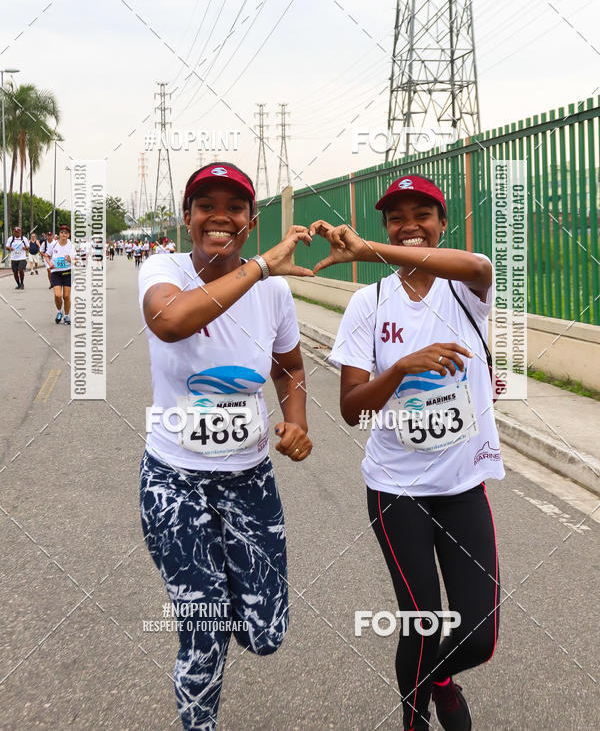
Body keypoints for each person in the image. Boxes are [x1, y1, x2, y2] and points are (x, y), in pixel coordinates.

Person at [316, 175, 502, 731]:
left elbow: (475, 266)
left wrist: (368, 249)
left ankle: (439, 680)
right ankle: (415, 718)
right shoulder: (368, 304)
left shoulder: (469, 286)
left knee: (480, 631)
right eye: (397, 218)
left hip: (462, 484)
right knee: (420, 622)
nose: (410, 225)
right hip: (396, 489)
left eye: (423, 214)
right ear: (387, 226)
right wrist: (400, 367)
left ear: (442, 224)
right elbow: (352, 409)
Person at [138, 162, 314, 730]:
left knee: (266, 635)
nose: (220, 217)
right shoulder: (160, 268)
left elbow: (290, 368)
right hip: (174, 482)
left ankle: (219, 604)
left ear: (250, 220)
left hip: (250, 479)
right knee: (205, 633)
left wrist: (296, 422)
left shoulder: (275, 294)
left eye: (234, 208)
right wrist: (261, 265)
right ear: (187, 218)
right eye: (205, 205)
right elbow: (171, 322)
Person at [44, 224, 73, 324]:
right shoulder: (53, 244)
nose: (63, 234)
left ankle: (66, 316)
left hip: (67, 273)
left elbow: (77, 260)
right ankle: (59, 311)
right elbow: (46, 255)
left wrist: (71, 260)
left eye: (66, 233)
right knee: (57, 295)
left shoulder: (71, 246)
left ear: (68, 235)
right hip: (56, 273)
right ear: (59, 234)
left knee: (66, 296)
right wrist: (49, 264)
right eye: (62, 232)